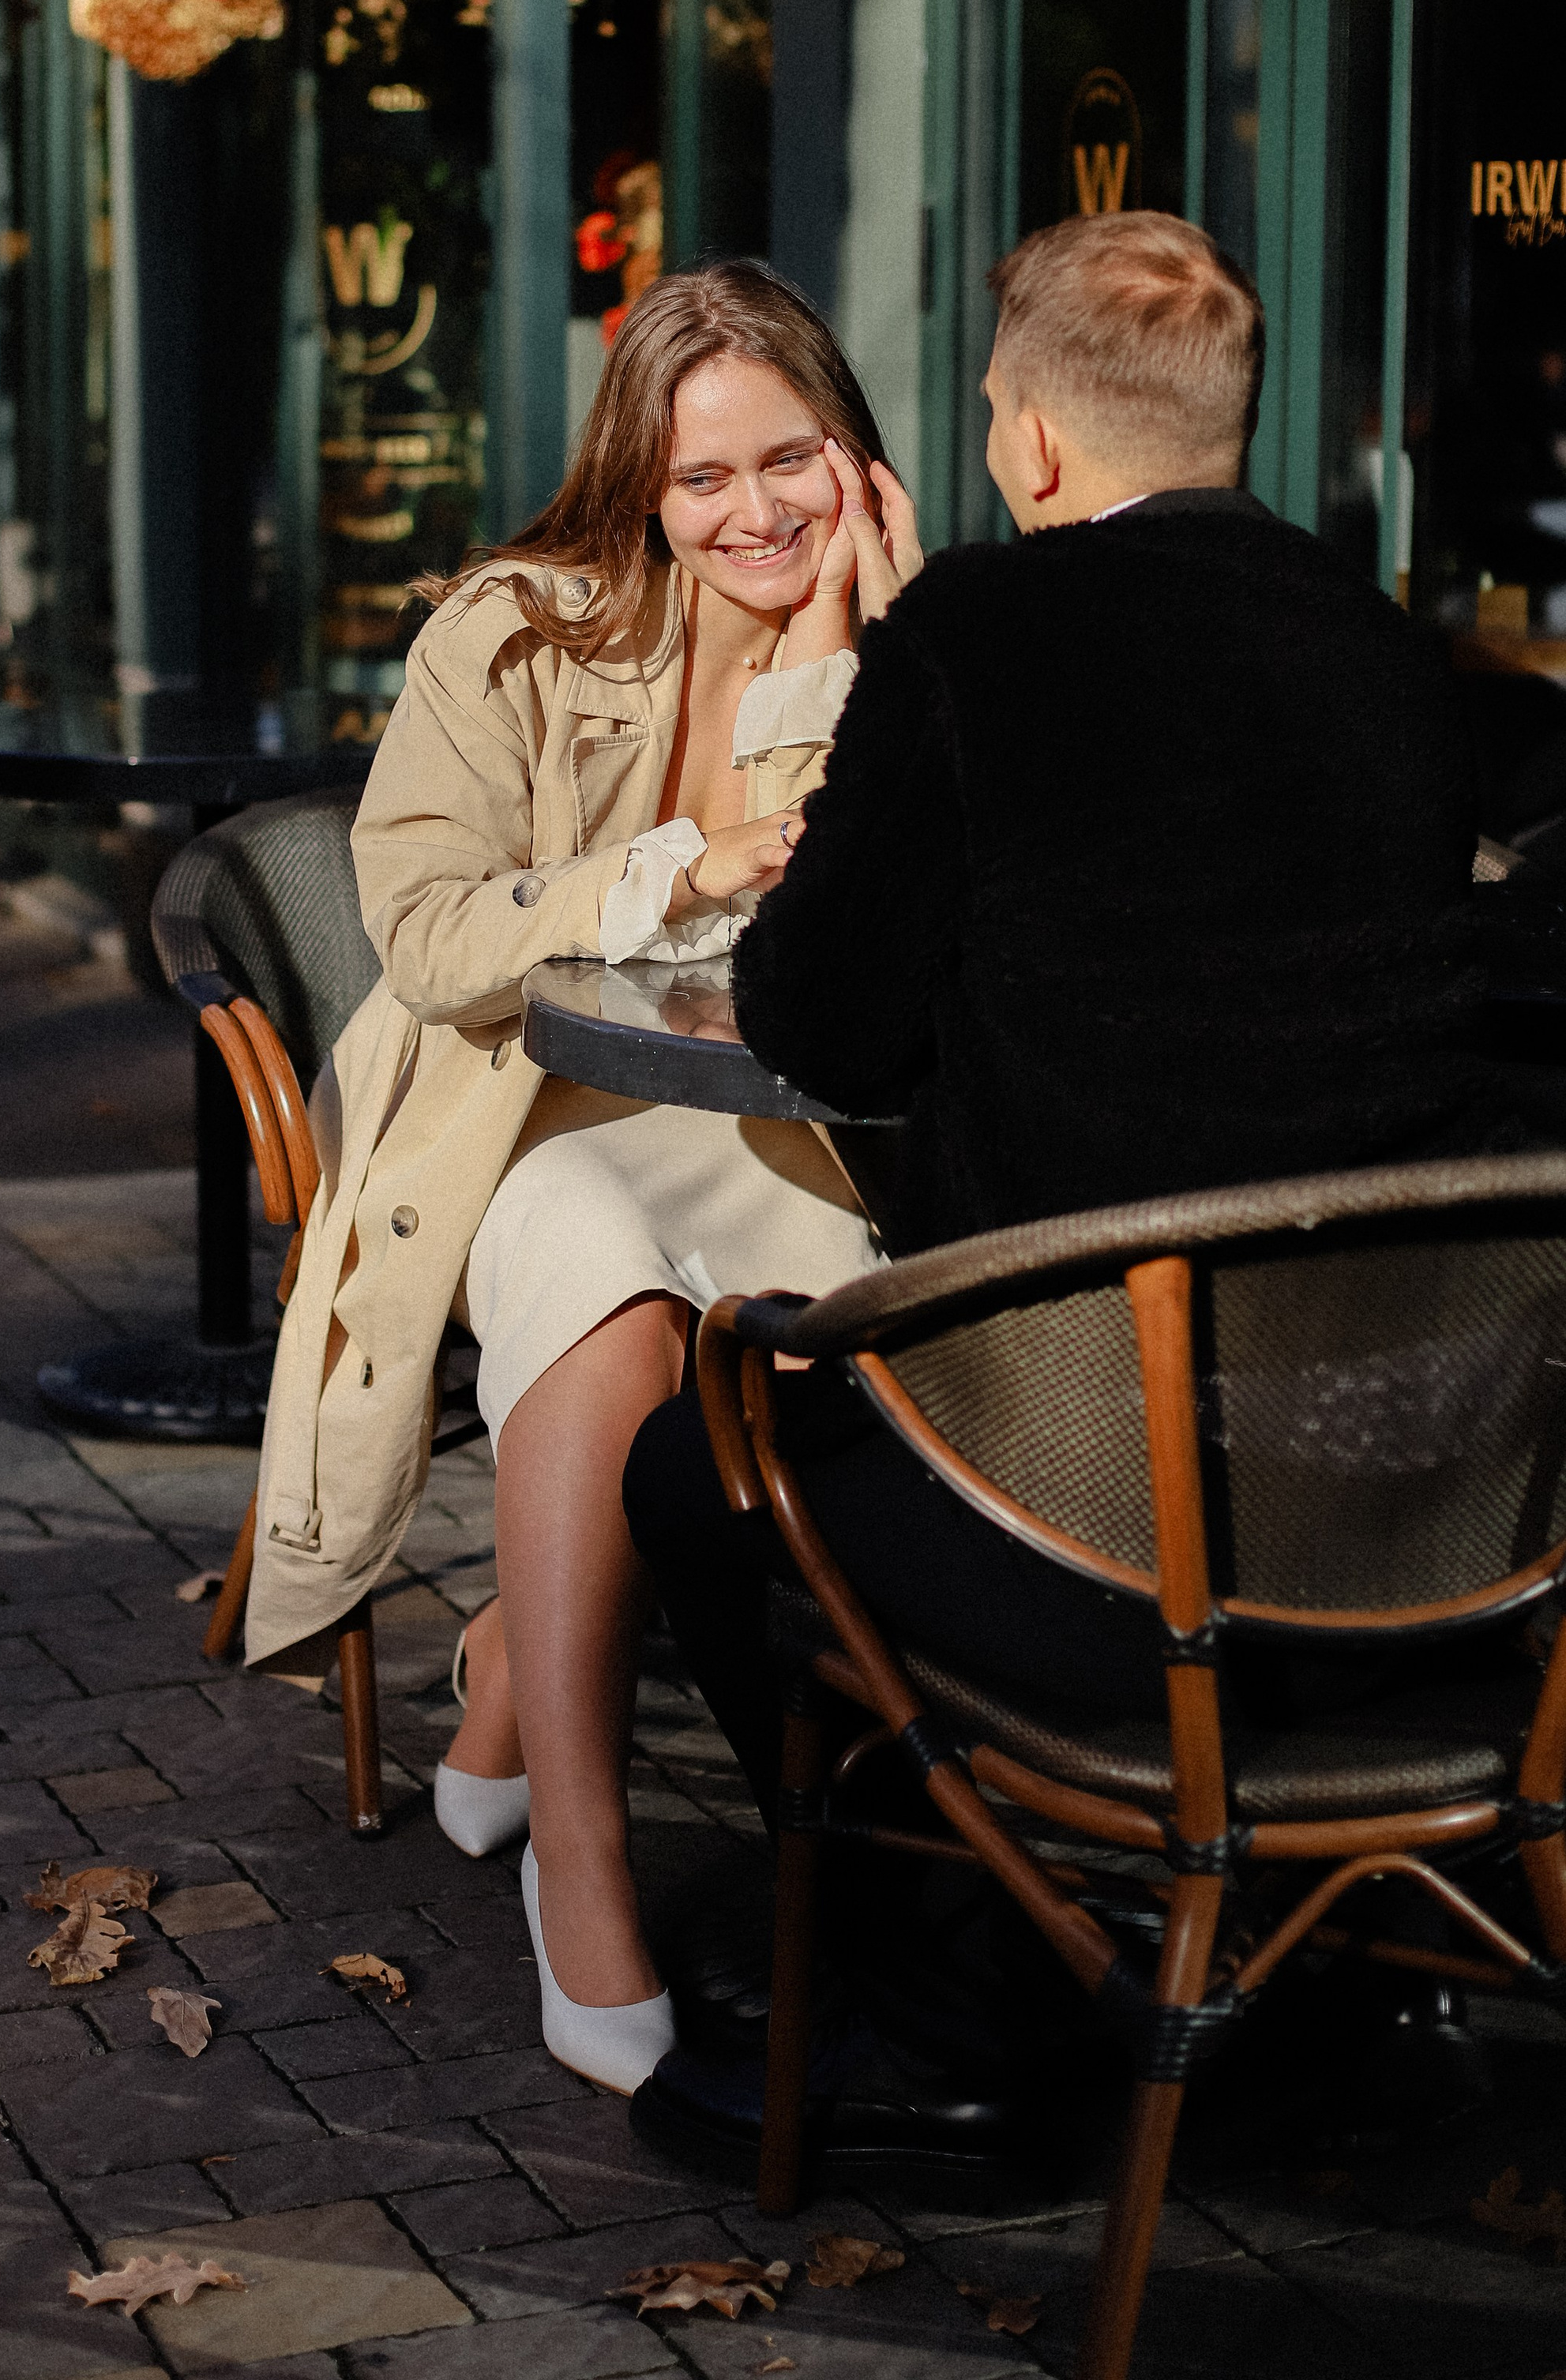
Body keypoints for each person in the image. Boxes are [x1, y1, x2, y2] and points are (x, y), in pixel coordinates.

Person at [624, 208, 1526, 2168]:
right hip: (1422, 1513)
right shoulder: (1384, 652)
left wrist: (891, 703)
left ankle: (952, 2007)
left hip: (1100, 1529)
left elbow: (822, 1021)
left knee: (703, 1464)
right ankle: (1326, 1976)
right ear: (1228, 422)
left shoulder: (975, 636)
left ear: (1027, 444)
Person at [239, 260, 916, 2093]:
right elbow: (433, 930)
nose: (755, 513)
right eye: (704, 481)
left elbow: (913, 913)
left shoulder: (904, 633)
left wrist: (879, 638)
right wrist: (684, 862)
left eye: (794, 461)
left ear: (855, 458)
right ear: (639, 486)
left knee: (858, 1330)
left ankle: (516, 1666)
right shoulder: (514, 629)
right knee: (604, 1278)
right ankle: (585, 1854)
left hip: (772, 1125)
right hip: (513, 1114)